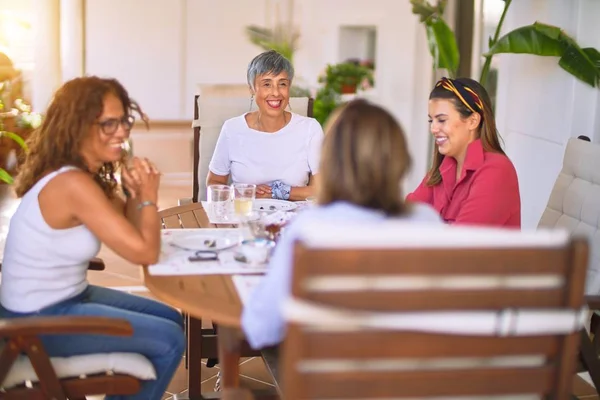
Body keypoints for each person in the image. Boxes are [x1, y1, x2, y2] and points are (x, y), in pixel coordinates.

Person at [0, 76, 185, 400]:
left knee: (170, 317)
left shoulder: (79, 175)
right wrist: (148, 197)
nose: (123, 132)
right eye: (108, 124)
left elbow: (128, 220)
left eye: (124, 121)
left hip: (64, 299)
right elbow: (144, 252)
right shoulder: (73, 184)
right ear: (78, 127)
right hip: (34, 321)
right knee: (169, 339)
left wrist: (134, 191)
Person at [241, 99, 442, 349]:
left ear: (330, 162)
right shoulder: (427, 222)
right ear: (400, 160)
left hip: (331, 381)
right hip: (413, 378)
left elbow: (260, 330)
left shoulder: (310, 229)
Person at [207, 50, 324, 201]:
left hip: (293, 221)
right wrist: (247, 193)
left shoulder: (310, 129)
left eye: (282, 84)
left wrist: (276, 191)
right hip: (244, 218)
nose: (275, 93)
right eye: (267, 84)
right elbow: (214, 183)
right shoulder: (232, 129)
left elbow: (322, 189)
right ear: (252, 88)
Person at [407, 77, 521, 228]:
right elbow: (403, 216)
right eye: (431, 121)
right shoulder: (443, 168)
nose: (433, 129)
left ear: (473, 121)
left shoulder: (497, 170)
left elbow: (460, 244)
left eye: (441, 120)